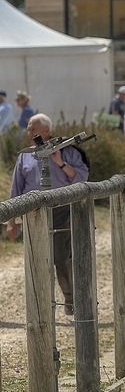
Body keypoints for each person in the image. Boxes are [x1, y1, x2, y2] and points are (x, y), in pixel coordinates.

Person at [7, 113, 89, 316]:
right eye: (28, 128)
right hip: (32, 214)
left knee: (61, 259)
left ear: (46, 131)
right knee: (36, 259)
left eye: (33, 128)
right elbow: (16, 188)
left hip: (61, 210)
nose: (30, 132)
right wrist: (12, 221)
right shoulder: (25, 155)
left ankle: (70, 299)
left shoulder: (67, 151)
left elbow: (81, 177)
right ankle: (41, 305)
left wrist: (60, 162)